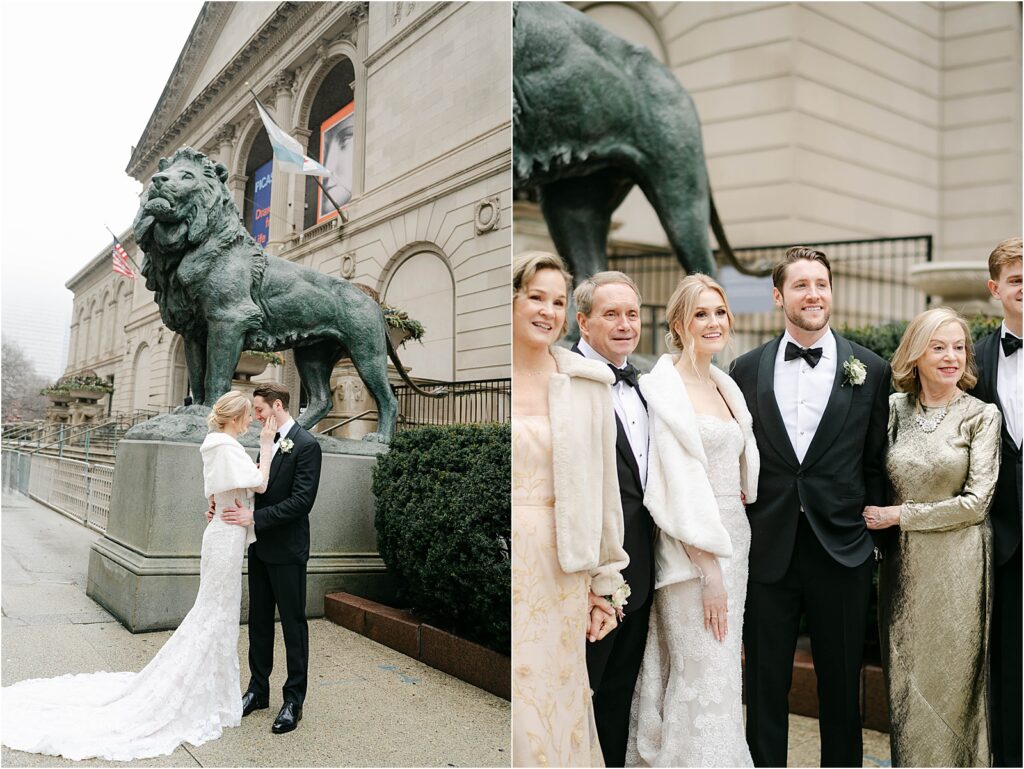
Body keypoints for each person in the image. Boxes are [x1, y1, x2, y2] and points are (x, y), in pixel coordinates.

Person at [1, 391, 275, 761]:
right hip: (225, 539)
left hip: (222, 534)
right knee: (215, 614)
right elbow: (259, 484)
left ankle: (209, 688)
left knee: (215, 612)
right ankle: (199, 690)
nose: (249, 422)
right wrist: (267, 445)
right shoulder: (225, 445)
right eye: (247, 416)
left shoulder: (214, 444)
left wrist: (221, 500)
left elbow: (221, 491)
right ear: (234, 417)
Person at [730, 246, 890, 767]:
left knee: (842, 691)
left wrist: (871, 540)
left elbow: (875, 463)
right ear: (779, 296)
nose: (813, 294)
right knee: (765, 685)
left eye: (821, 283)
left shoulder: (869, 368)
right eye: (801, 285)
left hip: (841, 550)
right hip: (768, 549)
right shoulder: (744, 369)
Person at [626, 274, 759, 767]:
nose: (713, 322)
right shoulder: (666, 389)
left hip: (734, 542)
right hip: (691, 553)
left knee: (722, 671)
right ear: (679, 324)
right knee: (697, 670)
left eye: (720, 312)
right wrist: (709, 570)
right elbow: (676, 487)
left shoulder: (723, 384)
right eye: (701, 314)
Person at [864, 307, 1001, 767]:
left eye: (959, 347)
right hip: (905, 567)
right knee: (906, 679)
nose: (951, 357)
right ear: (915, 354)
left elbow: (976, 503)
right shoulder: (892, 409)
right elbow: (865, 472)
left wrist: (901, 515)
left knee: (955, 682)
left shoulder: (981, 416)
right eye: (938, 347)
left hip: (960, 567)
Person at [512, 251, 629, 768]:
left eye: (557, 301)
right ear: (511, 299)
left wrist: (603, 588)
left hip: (562, 570)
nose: (547, 311)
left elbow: (603, 493)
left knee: (558, 703)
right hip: (507, 563)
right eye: (535, 297)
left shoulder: (587, 382)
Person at [572, 271, 656, 768]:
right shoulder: (568, 382)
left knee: (618, 697)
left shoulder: (646, 386)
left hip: (642, 569)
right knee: (581, 692)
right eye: (610, 314)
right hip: (590, 570)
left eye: (631, 313)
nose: (624, 324)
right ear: (583, 322)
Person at [215, 382, 322, 735]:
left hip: (288, 551)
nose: (256, 416)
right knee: (259, 622)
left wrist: (255, 518)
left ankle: (294, 700)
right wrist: (224, 506)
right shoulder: (266, 442)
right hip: (258, 547)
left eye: (259, 410)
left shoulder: (307, 446)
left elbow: (301, 502)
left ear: (277, 406)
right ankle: (257, 690)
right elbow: (253, 486)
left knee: (293, 625)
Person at [970, 237, 1022, 768]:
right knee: (1005, 669)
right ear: (995, 289)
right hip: (1000, 538)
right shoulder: (975, 360)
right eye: (1016, 279)